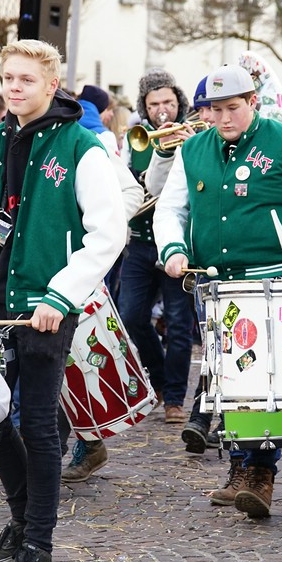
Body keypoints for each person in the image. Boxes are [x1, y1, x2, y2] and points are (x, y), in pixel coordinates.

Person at [0, 39, 126, 562]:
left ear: (51, 84)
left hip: (47, 303)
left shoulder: (82, 146)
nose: (14, 87)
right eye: (8, 78)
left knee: (39, 424)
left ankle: (38, 540)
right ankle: (21, 520)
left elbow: (107, 235)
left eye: (25, 79)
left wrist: (61, 295)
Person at [154, 63, 282, 517]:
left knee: (268, 380)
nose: (224, 118)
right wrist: (174, 248)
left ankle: (262, 472)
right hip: (213, 283)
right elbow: (170, 207)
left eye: (233, 107)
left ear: (253, 102)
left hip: (274, 280)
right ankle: (239, 466)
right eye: (215, 110)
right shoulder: (193, 148)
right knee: (229, 380)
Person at [118, 68, 195, 424]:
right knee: (131, 315)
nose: (162, 110)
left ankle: (175, 398)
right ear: (145, 109)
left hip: (177, 245)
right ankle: (160, 379)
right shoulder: (137, 139)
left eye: (168, 102)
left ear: (178, 102)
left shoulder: (196, 136)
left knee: (179, 323)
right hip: (140, 241)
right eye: (154, 105)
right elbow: (131, 184)